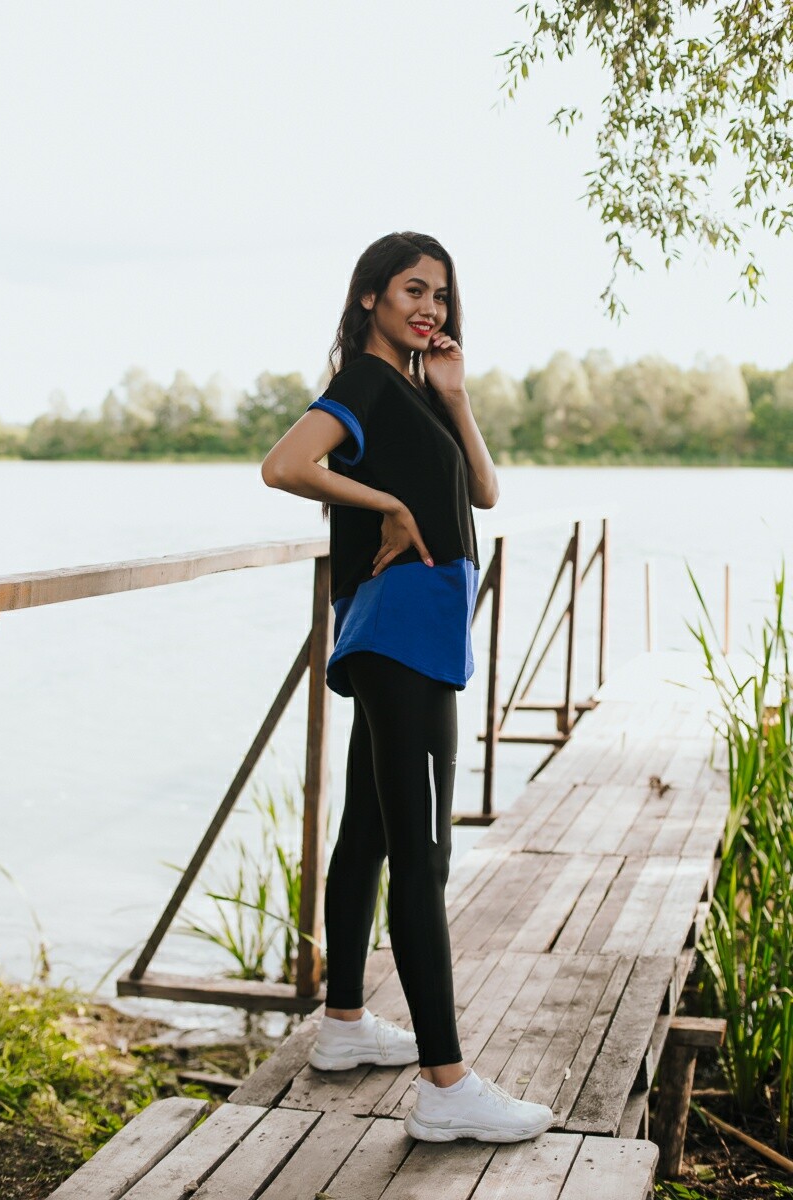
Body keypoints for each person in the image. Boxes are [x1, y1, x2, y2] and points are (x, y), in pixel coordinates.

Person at [261, 231, 555, 1142]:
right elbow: (284, 465)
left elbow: (485, 493)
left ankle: (344, 1024)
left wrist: (456, 397)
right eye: (413, 290)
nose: (431, 307)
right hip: (402, 637)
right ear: (370, 298)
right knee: (423, 856)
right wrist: (386, 505)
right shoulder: (362, 385)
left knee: (368, 829)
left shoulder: (416, 393)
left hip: (412, 635)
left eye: (441, 294)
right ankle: (445, 1085)